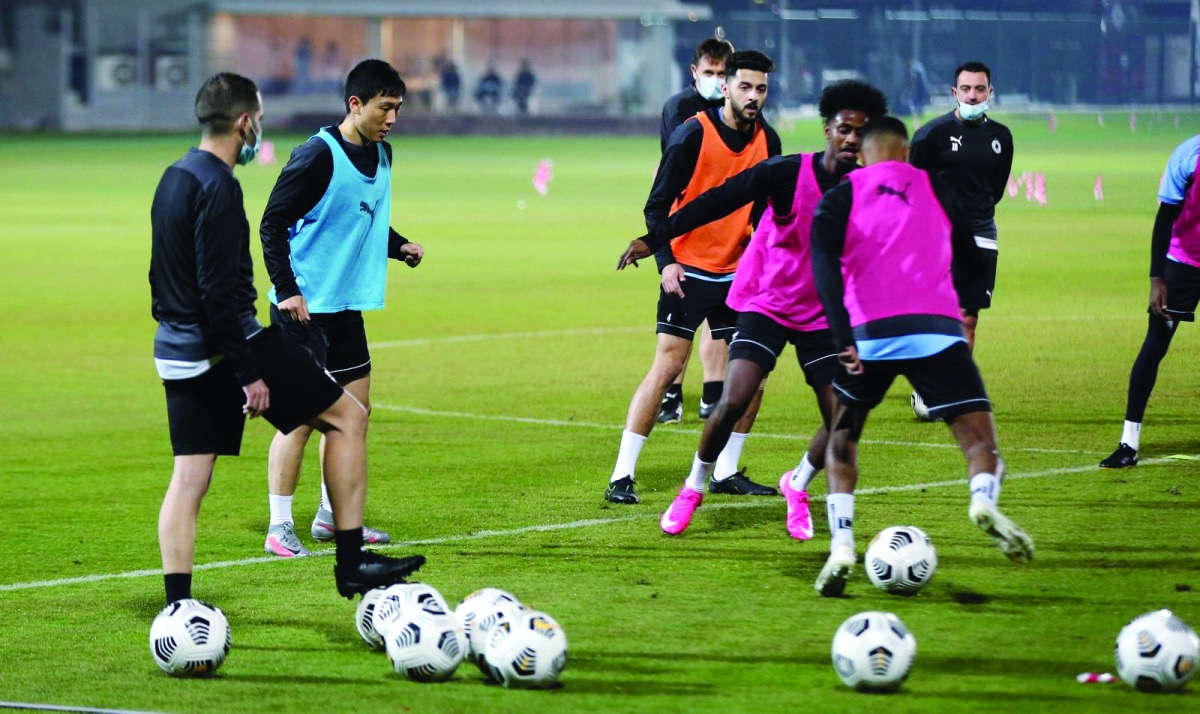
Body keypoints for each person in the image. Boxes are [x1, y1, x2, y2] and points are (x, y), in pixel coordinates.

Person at [150, 72, 425, 606]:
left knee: (188, 478)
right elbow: (220, 290)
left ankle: (178, 606)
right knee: (345, 417)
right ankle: (348, 564)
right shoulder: (221, 187)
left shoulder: (173, 177)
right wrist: (248, 368)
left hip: (176, 347)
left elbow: (162, 278)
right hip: (236, 340)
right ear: (245, 122)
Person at [617, 80, 889, 538]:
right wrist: (655, 241)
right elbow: (716, 201)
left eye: (862, 134)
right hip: (768, 304)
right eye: (845, 128)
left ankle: (798, 486)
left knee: (843, 418)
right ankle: (694, 487)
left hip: (821, 315)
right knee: (732, 400)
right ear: (828, 129)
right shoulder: (785, 172)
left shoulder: (868, 191)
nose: (852, 139)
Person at [808, 116, 1033, 597]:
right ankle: (981, 500)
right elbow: (971, 258)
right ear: (906, 153)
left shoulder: (841, 196)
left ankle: (843, 545)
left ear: (863, 156)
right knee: (980, 446)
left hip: (869, 335)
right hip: (938, 332)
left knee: (843, 439)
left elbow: (823, 267)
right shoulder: (937, 189)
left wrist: (841, 334)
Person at [258, 59, 425, 557]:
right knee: (302, 419)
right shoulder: (318, 155)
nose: (392, 117)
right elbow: (272, 223)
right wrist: (286, 290)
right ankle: (278, 527)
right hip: (302, 312)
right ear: (355, 104)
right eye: (384, 107)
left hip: (346, 306)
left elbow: (362, 218)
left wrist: (398, 246)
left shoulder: (384, 153)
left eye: (397, 108)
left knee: (354, 414)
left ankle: (332, 519)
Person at [605, 50, 782, 505]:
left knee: (755, 378)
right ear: (726, 87)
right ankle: (621, 476)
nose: (753, 96)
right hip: (688, 269)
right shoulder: (691, 135)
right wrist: (666, 262)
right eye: (744, 86)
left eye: (760, 88)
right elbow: (656, 208)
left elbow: (767, 214)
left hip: (739, 276)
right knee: (666, 368)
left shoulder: (770, 141)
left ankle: (725, 472)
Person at [908, 61, 1013, 419]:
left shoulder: (1002, 137)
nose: (973, 95)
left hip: (981, 235)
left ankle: (950, 392)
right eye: (966, 89)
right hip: (935, 236)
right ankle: (925, 388)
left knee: (968, 318)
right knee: (932, 315)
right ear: (954, 93)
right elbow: (911, 185)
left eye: (979, 89)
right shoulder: (930, 134)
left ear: (990, 93)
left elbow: (995, 189)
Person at [1100, 133, 1200, 468]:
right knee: (1155, 344)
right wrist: (1157, 278)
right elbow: (1165, 218)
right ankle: (1129, 443)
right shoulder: (1188, 155)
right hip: (1183, 262)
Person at [656, 37, 736, 424]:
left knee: (720, 323)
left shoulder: (740, 110)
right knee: (682, 321)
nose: (717, 80)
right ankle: (671, 396)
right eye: (710, 73)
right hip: (686, 229)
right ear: (694, 73)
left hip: (729, 233)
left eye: (723, 73)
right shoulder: (681, 110)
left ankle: (713, 397)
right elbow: (680, 169)